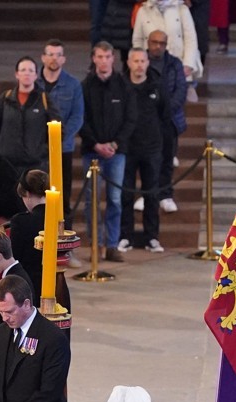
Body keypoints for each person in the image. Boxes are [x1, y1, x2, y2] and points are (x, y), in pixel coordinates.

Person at [80, 41, 136, 263]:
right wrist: (95, 144)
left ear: (113, 58)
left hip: (116, 153)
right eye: (99, 57)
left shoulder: (123, 86)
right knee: (91, 200)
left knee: (114, 198)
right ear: (94, 59)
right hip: (91, 152)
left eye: (107, 57)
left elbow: (130, 118)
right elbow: (81, 120)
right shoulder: (85, 86)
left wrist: (114, 144)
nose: (103, 61)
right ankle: (96, 244)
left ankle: (112, 244)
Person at [121, 48, 168, 254]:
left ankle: (152, 237)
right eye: (135, 61)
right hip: (127, 148)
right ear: (129, 63)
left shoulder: (157, 86)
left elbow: (165, 116)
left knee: (151, 193)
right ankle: (125, 236)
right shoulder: (121, 86)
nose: (139, 64)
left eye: (142, 60)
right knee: (125, 194)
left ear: (148, 63)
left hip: (152, 149)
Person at [39, 39, 85, 223]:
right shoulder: (34, 83)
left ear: (64, 59)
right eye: (50, 54)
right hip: (38, 149)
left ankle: (63, 242)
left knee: (63, 195)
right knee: (37, 195)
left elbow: (77, 116)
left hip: (63, 148)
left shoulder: (73, 85)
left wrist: (60, 137)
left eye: (58, 55)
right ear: (43, 57)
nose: (54, 59)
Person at [146, 30, 187, 216]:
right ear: (148, 42)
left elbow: (180, 90)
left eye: (161, 43)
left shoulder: (174, 63)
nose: (157, 46)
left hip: (169, 120)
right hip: (147, 121)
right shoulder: (142, 63)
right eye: (154, 42)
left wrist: (165, 111)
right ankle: (149, 193)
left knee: (167, 159)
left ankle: (165, 194)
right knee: (148, 161)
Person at [0, 56, 56, 174]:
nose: (27, 74)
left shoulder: (44, 100)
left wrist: (41, 151)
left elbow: (58, 130)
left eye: (31, 71)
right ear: (17, 74)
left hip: (35, 165)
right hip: (7, 164)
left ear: (36, 75)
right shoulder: (5, 98)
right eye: (23, 70)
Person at [8, 169, 49, 300]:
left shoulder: (20, 221)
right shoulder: (60, 218)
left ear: (27, 193)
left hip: (29, 287)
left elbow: (14, 258)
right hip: (56, 285)